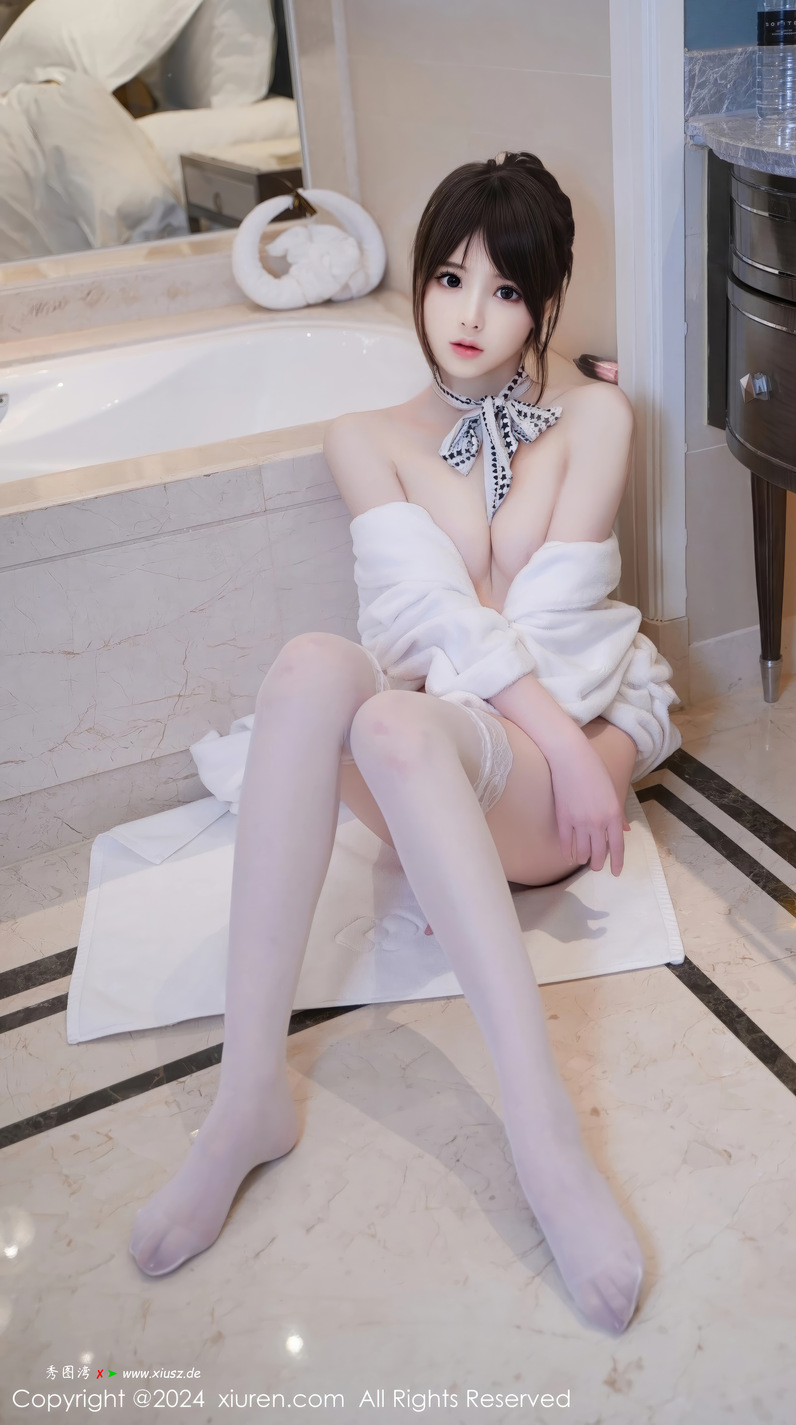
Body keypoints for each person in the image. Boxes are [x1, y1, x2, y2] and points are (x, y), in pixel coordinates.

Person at [129, 152, 679, 1335]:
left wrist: (566, 747)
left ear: (544, 303)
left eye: (506, 290)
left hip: (532, 774)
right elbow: (417, 620)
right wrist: (491, 693)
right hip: (434, 751)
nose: (468, 314)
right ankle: (246, 1098)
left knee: (390, 713)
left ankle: (544, 1145)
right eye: (447, 279)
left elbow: (554, 630)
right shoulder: (364, 436)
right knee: (310, 667)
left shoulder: (594, 417)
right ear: (419, 281)